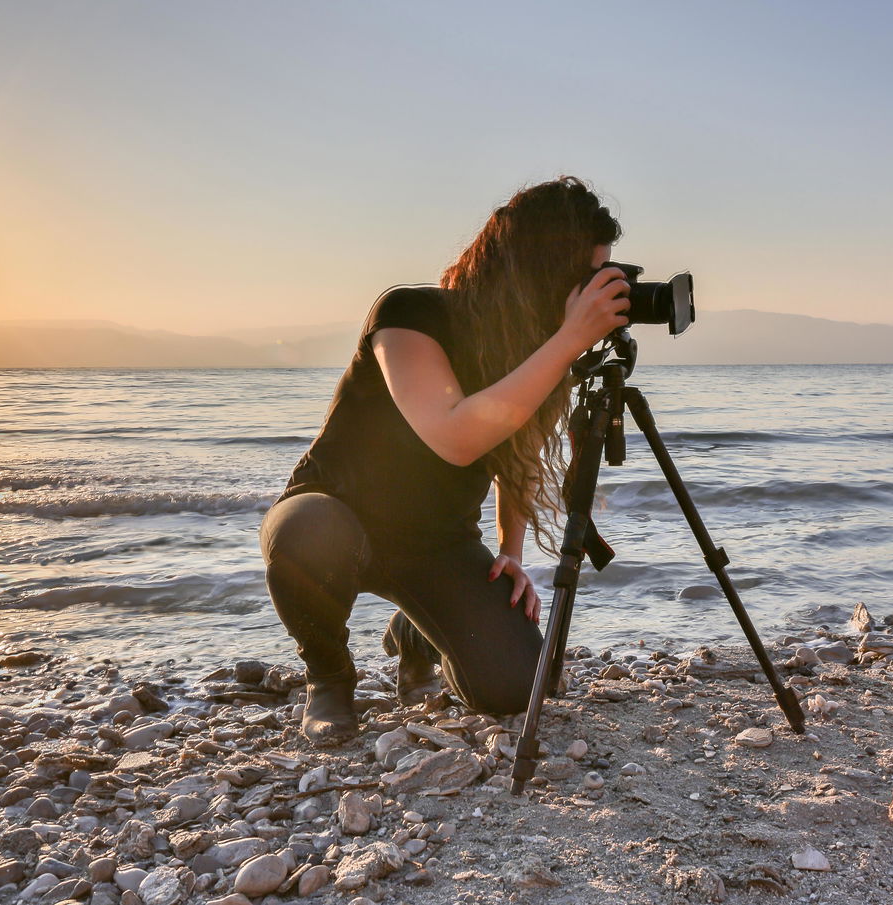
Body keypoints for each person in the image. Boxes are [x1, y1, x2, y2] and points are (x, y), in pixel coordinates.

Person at [260, 175, 630, 746]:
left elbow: (522, 456)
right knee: (306, 531)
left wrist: (510, 553)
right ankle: (329, 678)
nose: (587, 293)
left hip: (436, 544)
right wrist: (569, 341)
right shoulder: (408, 314)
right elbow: (454, 436)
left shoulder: (531, 350)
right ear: (537, 267)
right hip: (337, 514)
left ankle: (416, 633)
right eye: (582, 276)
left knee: (518, 688)